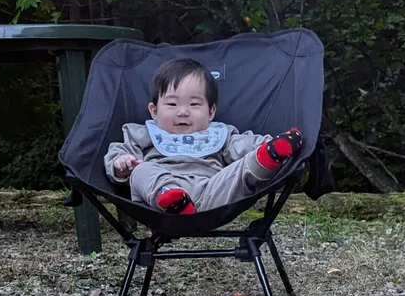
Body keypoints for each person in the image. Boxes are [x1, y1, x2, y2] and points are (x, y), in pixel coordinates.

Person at [104, 57, 303, 214]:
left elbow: (243, 145)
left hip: (212, 192)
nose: (183, 112)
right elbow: (119, 152)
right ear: (154, 110)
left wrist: (266, 144)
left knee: (240, 170)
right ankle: (171, 198)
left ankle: (273, 153)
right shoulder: (142, 133)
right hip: (158, 198)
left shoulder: (219, 135)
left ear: (211, 112)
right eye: (172, 104)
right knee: (142, 170)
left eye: (194, 104)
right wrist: (121, 164)